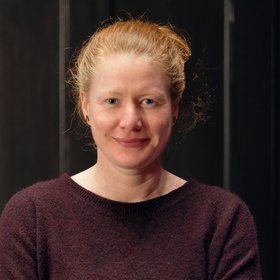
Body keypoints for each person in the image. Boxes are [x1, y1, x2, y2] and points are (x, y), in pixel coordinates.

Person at [0, 18, 262, 279]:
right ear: (85, 106)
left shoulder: (222, 220)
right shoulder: (32, 217)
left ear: (174, 108)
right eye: (112, 100)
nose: (130, 121)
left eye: (149, 101)